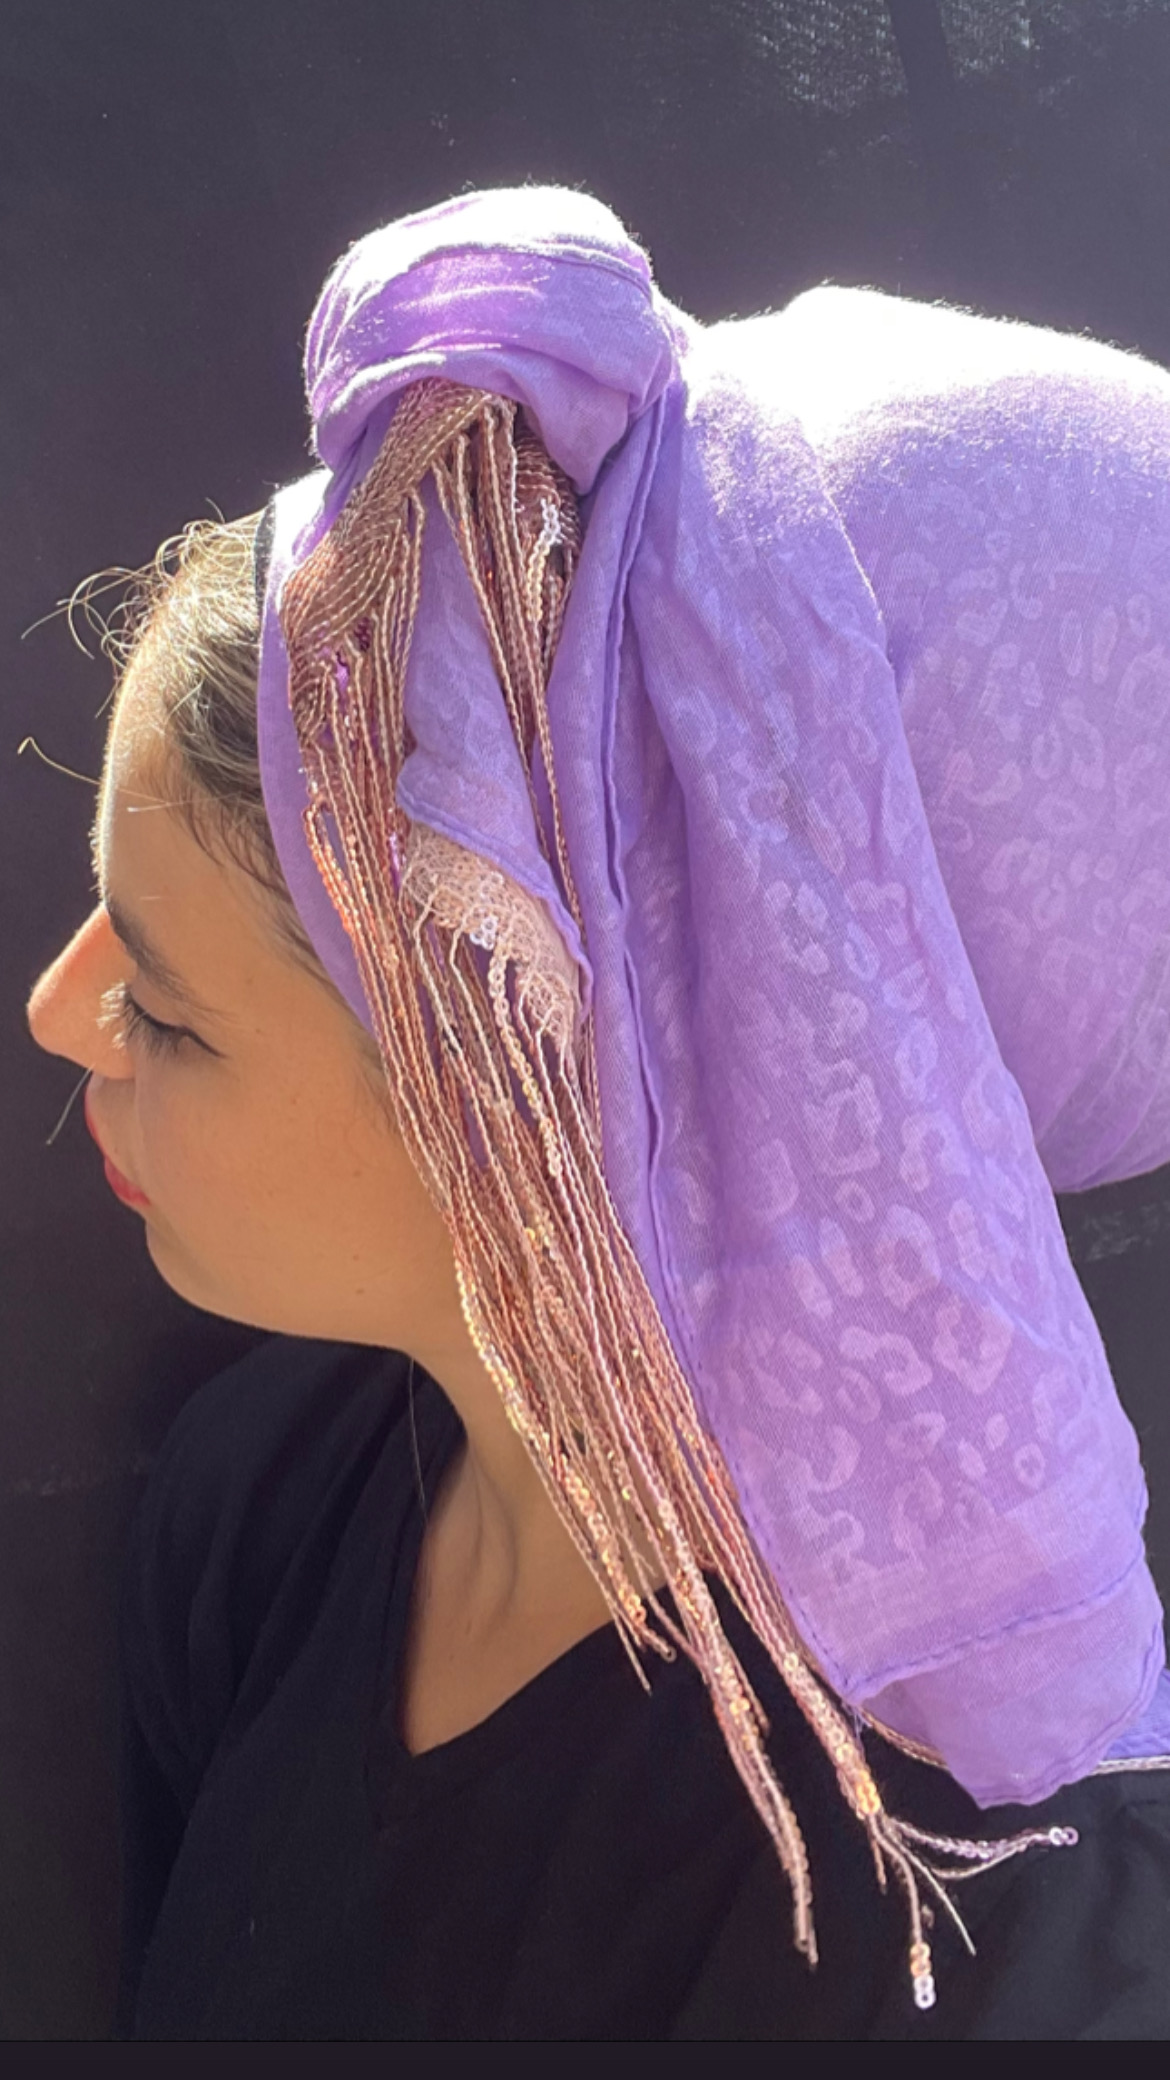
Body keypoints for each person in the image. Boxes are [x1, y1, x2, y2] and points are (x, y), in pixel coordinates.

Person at [26, 185, 1170, 2040]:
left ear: (557, 1112)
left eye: (169, 1009)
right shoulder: (268, 1495)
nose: (52, 1011)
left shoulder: (970, 1941)